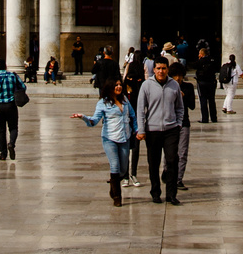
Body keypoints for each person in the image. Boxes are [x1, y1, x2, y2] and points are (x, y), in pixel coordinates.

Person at [72, 80, 136, 207]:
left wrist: (137, 130)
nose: (118, 87)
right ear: (110, 87)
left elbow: (133, 116)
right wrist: (83, 117)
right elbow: (94, 121)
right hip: (109, 138)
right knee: (115, 165)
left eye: (119, 85)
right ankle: (117, 197)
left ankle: (113, 186)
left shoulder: (125, 100)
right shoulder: (103, 103)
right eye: (116, 85)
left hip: (124, 137)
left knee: (123, 169)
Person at [137, 59, 184, 205]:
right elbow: (140, 109)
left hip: (171, 129)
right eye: (158, 68)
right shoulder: (146, 85)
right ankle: (155, 192)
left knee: (172, 160)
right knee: (153, 162)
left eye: (163, 68)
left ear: (167, 69)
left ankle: (171, 194)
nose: (161, 71)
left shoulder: (174, 85)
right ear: (154, 69)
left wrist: (179, 124)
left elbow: (180, 107)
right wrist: (141, 129)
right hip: (153, 130)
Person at [0, 63, 26, 161]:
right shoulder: (12, 75)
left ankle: (3, 153)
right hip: (11, 105)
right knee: (13, 127)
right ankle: (11, 143)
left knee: (1, 130)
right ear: (6, 66)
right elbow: (23, 87)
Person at [168, 62, 192, 191]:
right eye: (175, 75)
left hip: (184, 123)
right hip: (170, 124)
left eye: (180, 75)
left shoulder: (187, 87)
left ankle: (178, 179)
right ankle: (167, 172)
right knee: (170, 153)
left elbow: (192, 106)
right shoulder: (167, 88)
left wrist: (184, 97)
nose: (178, 78)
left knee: (182, 152)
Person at [193, 48, 218, 125]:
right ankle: (214, 118)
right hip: (211, 82)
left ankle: (205, 118)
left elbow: (195, 66)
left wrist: (199, 59)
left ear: (202, 54)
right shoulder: (212, 60)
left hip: (202, 83)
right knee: (211, 100)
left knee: (203, 100)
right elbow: (217, 68)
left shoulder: (200, 61)